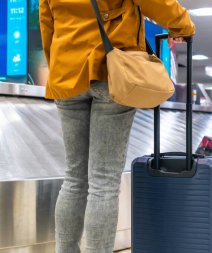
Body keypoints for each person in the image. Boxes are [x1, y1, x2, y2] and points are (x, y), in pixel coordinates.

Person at [39, 0, 195, 252]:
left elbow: (47, 26)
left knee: (74, 178)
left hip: (66, 76)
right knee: (103, 181)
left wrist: (60, 70)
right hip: (111, 71)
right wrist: (184, 26)